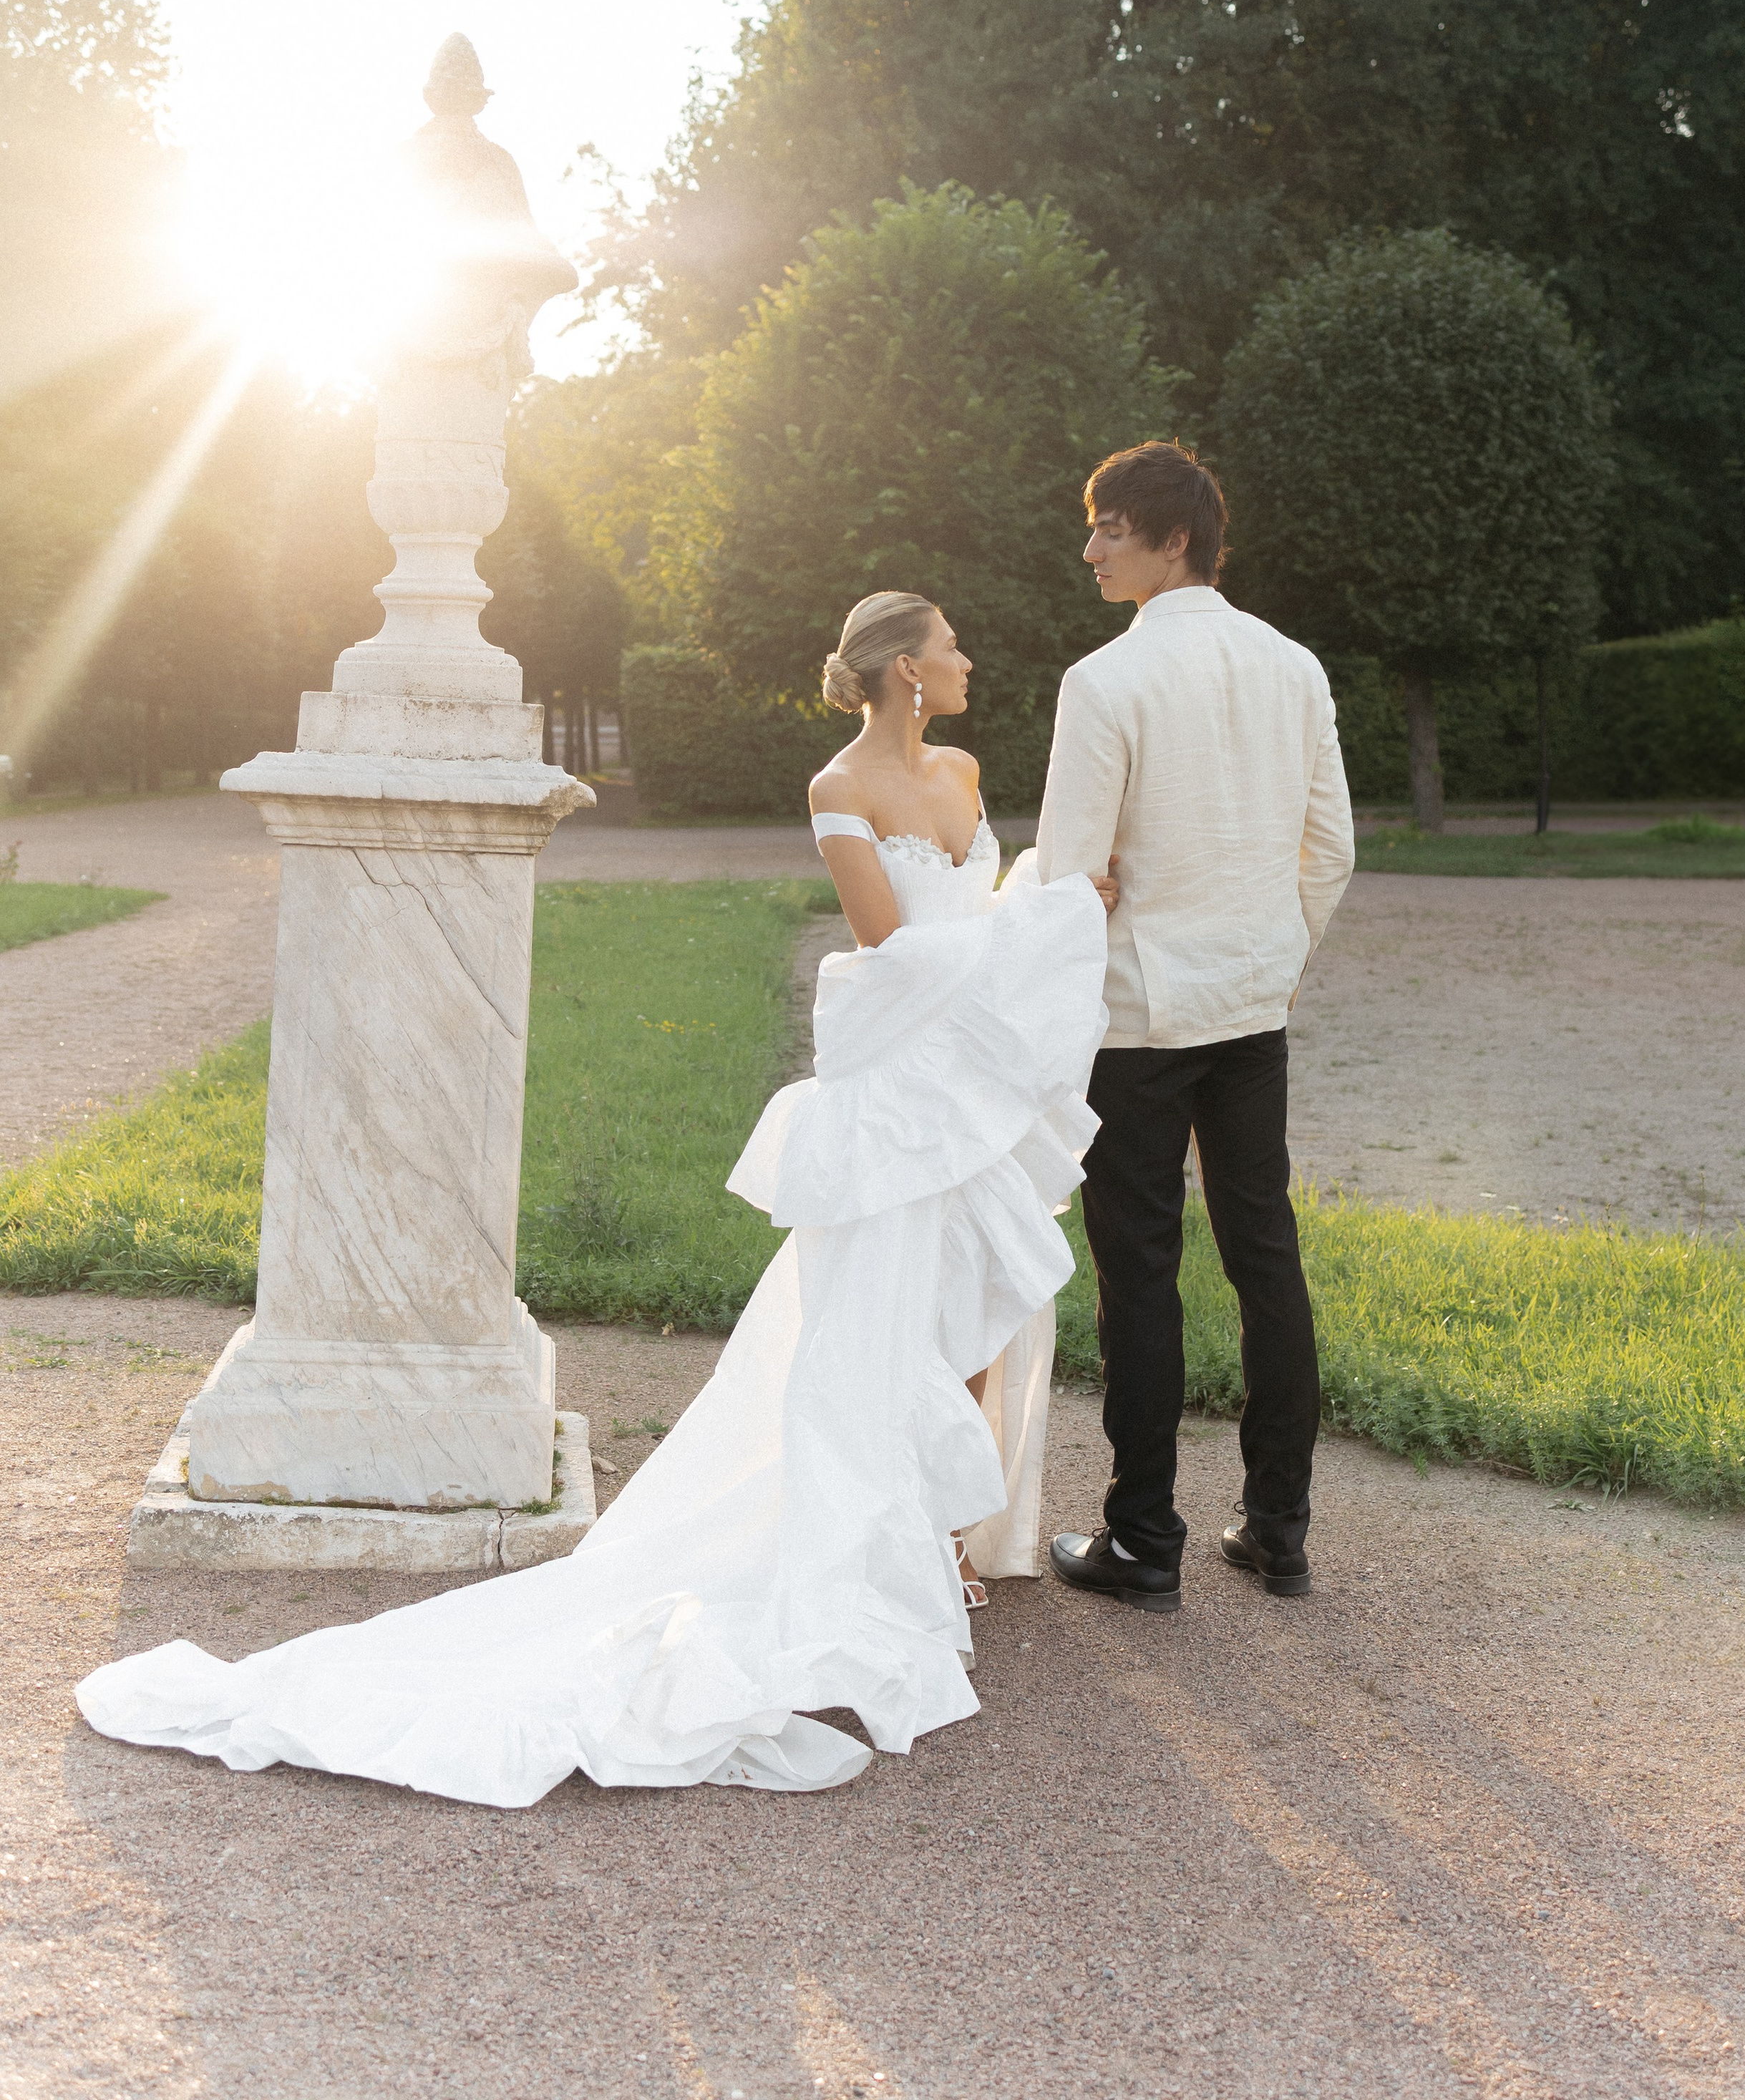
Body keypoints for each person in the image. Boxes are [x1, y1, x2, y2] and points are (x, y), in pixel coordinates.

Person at [77, 594, 1111, 1806]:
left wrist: (1036, 918)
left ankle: (939, 1542)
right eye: (949, 643)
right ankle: (879, 1550)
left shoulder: (968, 769)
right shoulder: (841, 790)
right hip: (904, 1085)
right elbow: (893, 948)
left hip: (967, 1074)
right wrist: (1041, 931)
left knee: (968, 1301)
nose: (968, 655)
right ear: (904, 670)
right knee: (878, 1321)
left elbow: (971, 922)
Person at [1037, 442, 1354, 1612]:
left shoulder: (1104, 683)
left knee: (1142, 1270)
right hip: (1250, 1004)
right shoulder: (1294, 666)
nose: (1090, 548)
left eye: (1110, 527)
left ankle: (1143, 1541)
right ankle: (1279, 1532)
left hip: (1138, 1015)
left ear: (1174, 538)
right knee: (1265, 1255)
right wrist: (1273, 957)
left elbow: (1071, 871)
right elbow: (1333, 848)